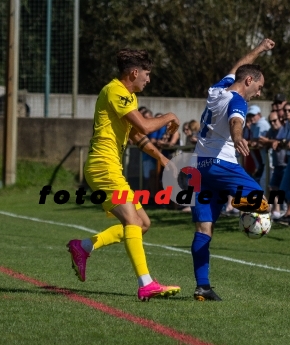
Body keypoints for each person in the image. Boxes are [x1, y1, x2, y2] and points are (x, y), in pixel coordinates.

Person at [67, 48, 181, 301]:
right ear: (134, 72)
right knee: (132, 222)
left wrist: (160, 156)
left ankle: (83, 247)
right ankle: (146, 283)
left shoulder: (126, 96)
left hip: (110, 167)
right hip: (103, 166)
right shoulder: (116, 90)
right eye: (147, 75)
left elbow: (134, 134)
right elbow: (144, 125)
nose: (148, 80)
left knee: (143, 224)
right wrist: (170, 116)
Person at [190, 38, 275, 301]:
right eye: (259, 87)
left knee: (204, 229)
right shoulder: (238, 100)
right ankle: (238, 202)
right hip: (220, 164)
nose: (259, 93)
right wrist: (238, 137)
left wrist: (259, 49)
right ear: (249, 82)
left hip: (198, 168)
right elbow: (236, 120)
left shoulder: (219, 88)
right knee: (259, 199)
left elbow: (239, 66)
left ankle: (202, 287)